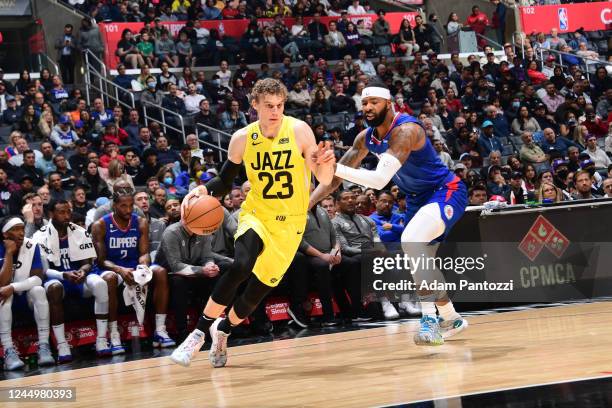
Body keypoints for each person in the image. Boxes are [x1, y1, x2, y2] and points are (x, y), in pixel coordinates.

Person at [170, 78, 335, 368]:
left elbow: (322, 178)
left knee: (257, 291)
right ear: (254, 104)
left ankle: (223, 330)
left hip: (291, 223)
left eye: (280, 105)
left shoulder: (298, 130)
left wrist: (325, 163)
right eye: (269, 106)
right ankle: (197, 333)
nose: (275, 111)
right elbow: (225, 179)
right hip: (257, 214)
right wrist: (204, 190)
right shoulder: (243, 138)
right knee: (241, 264)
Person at [310, 81, 469, 346]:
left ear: (389, 103)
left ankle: (429, 321)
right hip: (417, 200)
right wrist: (308, 203)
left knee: (411, 241)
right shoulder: (366, 137)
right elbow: (335, 180)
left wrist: (333, 165)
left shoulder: (406, 130)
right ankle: (451, 317)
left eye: (374, 102)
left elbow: (379, 179)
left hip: (445, 191)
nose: (368, 107)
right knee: (422, 264)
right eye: (364, 103)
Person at [91, 188, 175, 355]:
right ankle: (114, 334)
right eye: (123, 206)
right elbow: (101, 260)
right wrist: (120, 269)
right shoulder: (100, 225)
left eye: (131, 205)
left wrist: (143, 266)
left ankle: (160, 330)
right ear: (114, 205)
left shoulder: (141, 222)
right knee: (110, 278)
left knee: (160, 271)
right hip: (112, 268)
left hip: (134, 267)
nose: (128, 210)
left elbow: (144, 253)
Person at [34, 200, 103, 362]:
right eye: (61, 212)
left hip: (79, 277)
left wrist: (83, 271)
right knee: (54, 289)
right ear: (51, 214)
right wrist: (63, 275)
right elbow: (43, 271)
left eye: (68, 212)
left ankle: (102, 338)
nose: (66, 216)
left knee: (100, 284)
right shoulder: (40, 236)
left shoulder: (79, 231)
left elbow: (87, 262)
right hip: (56, 278)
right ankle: (62, 344)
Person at [0, 216, 55, 370]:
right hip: (6, 296)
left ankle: (44, 346)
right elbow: (1, 283)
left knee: (38, 290)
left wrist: (13, 287)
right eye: (15, 230)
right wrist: (9, 254)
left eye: (22, 229)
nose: (21, 233)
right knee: (2, 294)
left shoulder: (32, 245)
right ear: (5, 234)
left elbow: (38, 278)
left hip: (25, 295)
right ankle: (8, 351)